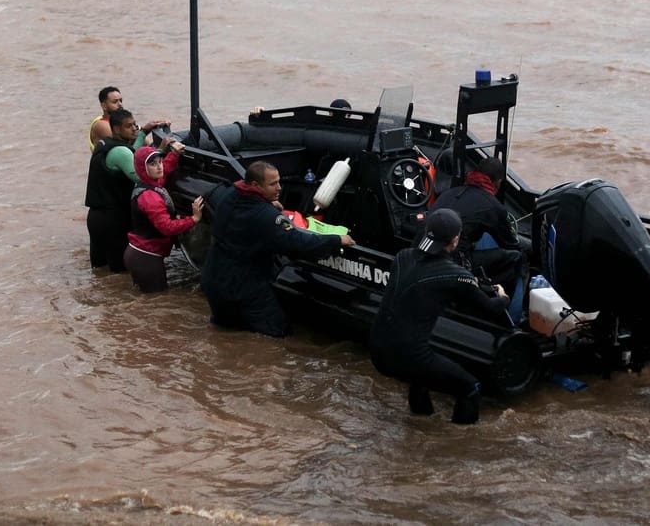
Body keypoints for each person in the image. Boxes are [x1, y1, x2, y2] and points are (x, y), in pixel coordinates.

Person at [370, 208, 510, 425]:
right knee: (471, 387)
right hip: (408, 356)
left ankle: (419, 423)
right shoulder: (456, 275)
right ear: (454, 241)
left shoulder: (402, 257)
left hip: (378, 350)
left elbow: (424, 286)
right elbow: (491, 308)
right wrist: (503, 296)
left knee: (421, 377)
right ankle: (457, 442)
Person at [201, 161, 355, 336]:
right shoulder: (266, 217)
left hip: (213, 280)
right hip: (243, 288)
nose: (279, 188)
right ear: (255, 185)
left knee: (223, 330)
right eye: (273, 184)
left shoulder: (228, 196)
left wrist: (265, 203)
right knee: (276, 332)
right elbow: (297, 242)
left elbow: (243, 209)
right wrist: (336, 240)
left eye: (279, 182)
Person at [430, 156, 527, 314]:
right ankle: (505, 309)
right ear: (497, 183)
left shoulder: (449, 193)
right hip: (453, 263)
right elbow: (510, 244)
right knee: (516, 257)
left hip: (430, 253)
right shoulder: (493, 207)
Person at [124, 143, 204, 292]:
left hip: (139, 253)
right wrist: (193, 219)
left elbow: (164, 171)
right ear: (143, 168)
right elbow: (167, 227)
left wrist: (174, 154)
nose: (159, 167)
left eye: (159, 162)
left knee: (145, 301)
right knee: (156, 299)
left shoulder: (147, 182)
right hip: (146, 257)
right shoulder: (150, 197)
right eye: (153, 164)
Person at [85, 109, 143, 272]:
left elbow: (129, 153)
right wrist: (163, 152)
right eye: (128, 126)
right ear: (116, 129)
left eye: (135, 124)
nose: (134, 128)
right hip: (114, 220)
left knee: (100, 270)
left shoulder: (104, 145)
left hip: (96, 217)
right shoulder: (120, 152)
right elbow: (143, 177)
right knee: (121, 272)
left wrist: (143, 133)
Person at [89, 86, 170, 151]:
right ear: (104, 106)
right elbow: (123, 147)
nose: (120, 104)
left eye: (121, 101)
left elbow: (143, 141)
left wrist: (154, 126)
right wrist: (144, 131)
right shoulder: (102, 125)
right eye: (115, 102)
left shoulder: (121, 122)